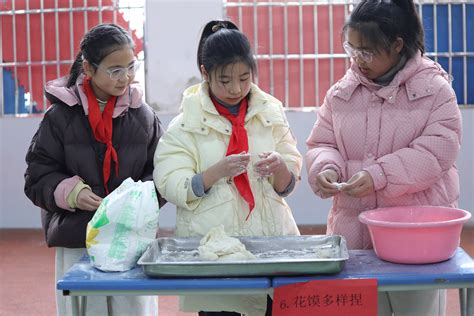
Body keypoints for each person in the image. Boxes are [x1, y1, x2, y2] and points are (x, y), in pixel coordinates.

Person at [305, 0, 462, 315]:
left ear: (397, 45)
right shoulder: (341, 94)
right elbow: (322, 142)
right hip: (355, 240)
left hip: (415, 243)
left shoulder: (435, 90)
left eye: (367, 51)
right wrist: (325, 167)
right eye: (353, 49)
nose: (358, 60)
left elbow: (436, 152)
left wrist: (378, 176)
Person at [153, 20, 302, 316]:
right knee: (223, 306)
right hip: (214, 255)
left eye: (244, 78)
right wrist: (213, 174)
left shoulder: (270, 114)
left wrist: (281, 168)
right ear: (205, 73)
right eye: (224, 80)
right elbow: (168, 182)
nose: (236, 88)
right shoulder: (185, 126)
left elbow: (291, 173)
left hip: (270, 246)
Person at [24, 23, 164, 315]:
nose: (125, 77)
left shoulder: (144, 117)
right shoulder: (60, 117)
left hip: (130, 237)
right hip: (77, 235)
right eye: (115, 70)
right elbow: (37, 175)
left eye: (130, 67)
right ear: (88, 68)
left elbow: (160, 172)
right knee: (88, 307)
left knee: (131, 307)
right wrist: (70, 192)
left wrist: (137, 198)